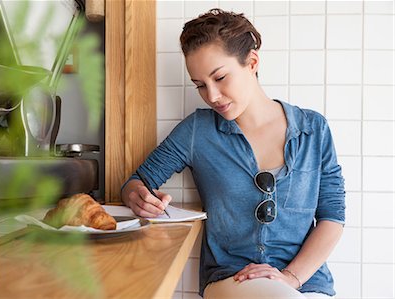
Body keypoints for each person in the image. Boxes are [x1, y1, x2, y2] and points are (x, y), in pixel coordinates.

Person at [121, 9, 345, 299]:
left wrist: (290, 278)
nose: (212, 95)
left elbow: (332, 216)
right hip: (232, 280)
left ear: (252, 62)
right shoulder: (197, 131)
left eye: (220, 77)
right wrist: (136, 195)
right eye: (200, 85)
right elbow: (137, 181)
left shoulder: (313, 129)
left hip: (306, 284)